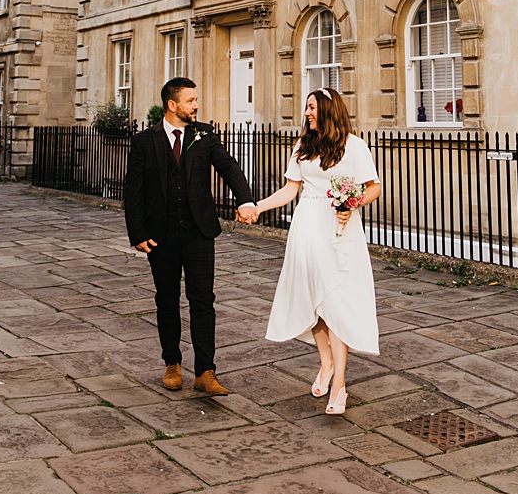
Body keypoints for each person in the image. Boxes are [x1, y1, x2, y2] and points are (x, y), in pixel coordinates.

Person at [246, 87, 380, 415]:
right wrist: (257, 206)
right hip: (306, 226)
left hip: (338, 229)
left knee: (335, 302)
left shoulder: (354, 146)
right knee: (313, 302)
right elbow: (290, 189)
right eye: (306, 107)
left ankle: (340, 385)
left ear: (328, 111)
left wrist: (353, 203)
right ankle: (326, 363)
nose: (307, 113)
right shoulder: (302, 146)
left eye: (312, 107)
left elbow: (374, 186)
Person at [123, 77, 257, 396]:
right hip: (161, 235)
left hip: (199, 231)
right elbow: (133, 189)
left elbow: (228, 166)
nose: (196, 105)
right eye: (191, 100)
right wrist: (137, 232)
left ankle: (205, 372)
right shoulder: (145, 141)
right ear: (173, 105)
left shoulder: (204, 134)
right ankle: (172, 363)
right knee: (167, 300)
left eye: (197, 100)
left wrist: (246, 199)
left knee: (203, 300)